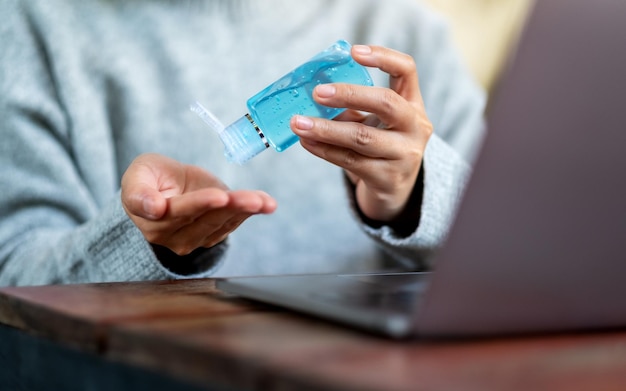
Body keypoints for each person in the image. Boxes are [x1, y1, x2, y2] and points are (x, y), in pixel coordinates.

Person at [0, 0, 485, 286]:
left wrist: (411, 198)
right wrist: (142, 244)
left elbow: (511, 252)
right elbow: (14, 282)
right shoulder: (35, 25)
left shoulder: (398, 27)